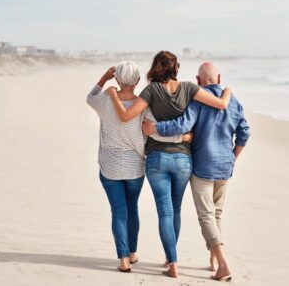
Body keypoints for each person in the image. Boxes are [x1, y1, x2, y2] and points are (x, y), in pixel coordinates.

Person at [107, 51, 232, 278]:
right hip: (184, 160)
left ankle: (172, 263)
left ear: (155, 67)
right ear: (177, 68)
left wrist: (114, 95)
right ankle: (169, 259)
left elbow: (126, 116)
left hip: (156, 159)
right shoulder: (189, 88)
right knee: (175, 210)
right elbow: (222, 104)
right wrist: (228, 91)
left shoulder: (151, 90)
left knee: (165, 212)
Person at [142, 62, 250, 281]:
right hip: (224, 166)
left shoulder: (198, 101)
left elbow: (182, 124)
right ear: (218, 78)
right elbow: (244, 133)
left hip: (203, 166)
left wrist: (156, 128)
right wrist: (232, 157)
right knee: (216, 213)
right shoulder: (234, 101)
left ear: (199, 81)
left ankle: (223, 264)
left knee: (206, 215)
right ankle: (213, 260)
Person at [86, 61, 192, 273]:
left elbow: (90, 97)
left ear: (118, 79)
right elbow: (152, 131)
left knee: (118, 212)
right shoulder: (143, 105)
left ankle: (124, 260)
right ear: (136, 81)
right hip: (135, 166)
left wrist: (104, 78)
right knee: (132, 209)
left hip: (110, 165)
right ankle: (133, 252)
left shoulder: (106, 100)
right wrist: (183, 137)